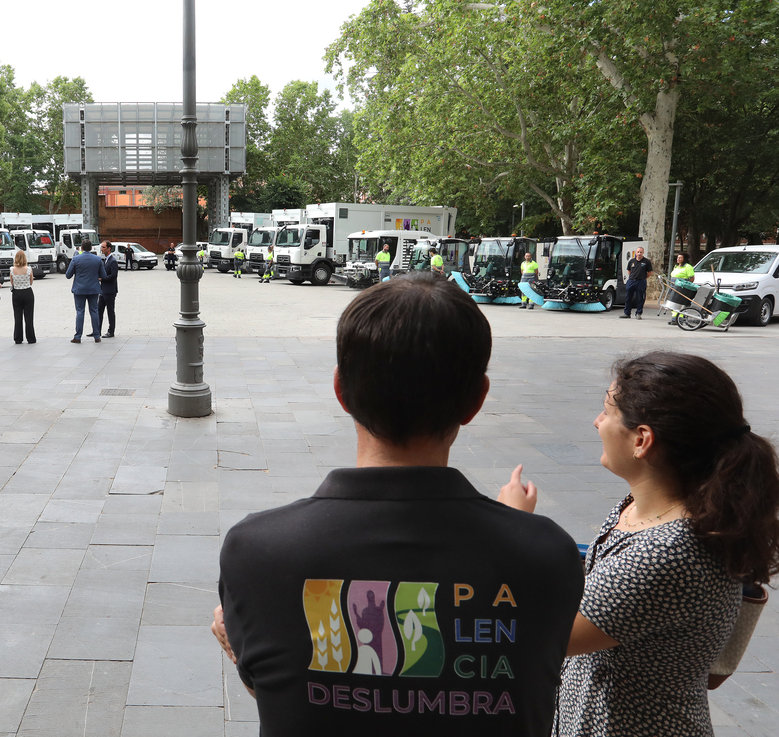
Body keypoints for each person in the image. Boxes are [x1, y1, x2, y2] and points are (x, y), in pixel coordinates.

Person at [211, 273, 584, 736]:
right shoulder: (547, 554)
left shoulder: (258, 549)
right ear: (476, 401)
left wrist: (234, 645)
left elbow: (286, 698)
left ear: (341, 390)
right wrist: (514, 531)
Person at [497, 352, 779, 737]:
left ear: (642, 440)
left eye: (607, 411)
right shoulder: (648, 507)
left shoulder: (669, 552)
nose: (597, 422)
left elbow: (545, 635)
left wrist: (516, 527)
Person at [65, 239, 103, 343]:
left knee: (80, 312)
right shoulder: (97, 259)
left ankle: (78, 336)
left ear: (81, 248)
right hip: (94, 289)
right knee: (94, 311)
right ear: (91, 248)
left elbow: (68, 275)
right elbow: (103, 275)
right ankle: (97, 336)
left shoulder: (76, 259)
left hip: (79, 289)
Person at [10, 249, 35, 345]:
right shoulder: (28, 269)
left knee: (17, 316)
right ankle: (31, 338)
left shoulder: (12, 269)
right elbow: (31, 281)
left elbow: (12, 282)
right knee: (29, 316)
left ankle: (18, 338)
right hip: (27, 292)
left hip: (16, 292)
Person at [621, 247, 652, 320]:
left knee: (640, 298)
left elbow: (650, 272)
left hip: (641, 281)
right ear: (636, 252)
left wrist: (643, 278)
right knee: (628, 297)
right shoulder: (632, 261)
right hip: (631, 281)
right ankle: (627, 313)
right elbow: (629, 270)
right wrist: (633, 277)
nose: (639, 253)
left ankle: (638, 313)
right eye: (638, 252)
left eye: (641, 252)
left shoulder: (646, 262)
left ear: (643, 253)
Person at [667, 253, 696, 325]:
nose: (678, 259)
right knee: (673, 302)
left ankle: (680, 318)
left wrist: (686, 286)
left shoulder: (688, 267)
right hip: (674, 286)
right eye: (677, 257)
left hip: (682, 288)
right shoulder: (676, 266)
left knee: (680, 303)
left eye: (680, 258)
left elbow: (692, 278)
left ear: (684, 259)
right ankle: (674, 318)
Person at [98, 240, 119, 338]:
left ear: (109, 249)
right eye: (101, 247)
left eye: (103, 247)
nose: (102, 249)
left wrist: (102, 279)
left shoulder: (113, 261)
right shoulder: (104, 260)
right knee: (99, 310)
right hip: (102, 290)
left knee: (110, 311)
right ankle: (97, 330)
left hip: (110, 290)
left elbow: (114, 275)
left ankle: (111, 331)